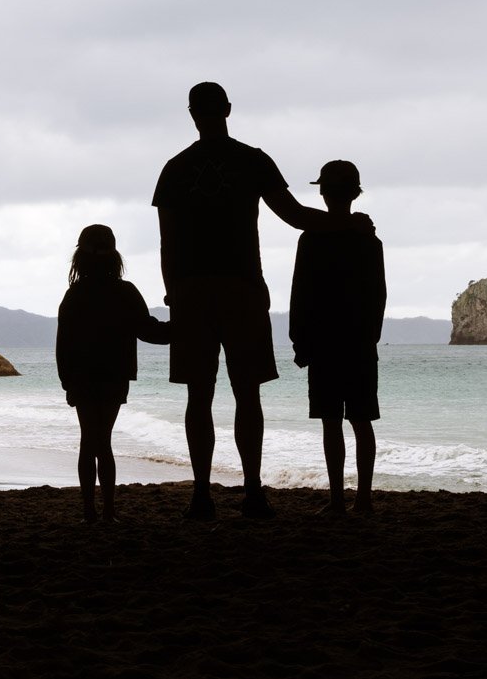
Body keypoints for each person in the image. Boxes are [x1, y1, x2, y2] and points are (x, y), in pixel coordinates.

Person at [152, 81, 372, 521]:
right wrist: (346, 224)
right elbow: (293, 215)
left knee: (199, 396)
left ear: (192, 113)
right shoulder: (251, 160)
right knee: (247, 394)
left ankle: (201, 493)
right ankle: (252, 490)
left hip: (192, 290)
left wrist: (174, 292)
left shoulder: (175, 169)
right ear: (228, 109)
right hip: (242, 288)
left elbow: (167, 243)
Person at [289, 159, 386, 515]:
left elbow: (300, 292)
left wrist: (299, 339)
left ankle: (337, 499)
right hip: (358, 341)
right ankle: (362, 498)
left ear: (324, 192)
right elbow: (379, 295)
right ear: (355, 193)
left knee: (332, 421)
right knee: (361, 421)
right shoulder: (367, 239)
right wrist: (370, 338)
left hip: (325, 341)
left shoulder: (311, 238)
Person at [56, 224, 170, 523]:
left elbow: (63, 344)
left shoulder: (75, 294)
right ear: (114, 255)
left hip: (82, 377)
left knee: (88, 441)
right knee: (102, 441)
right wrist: (183, 324)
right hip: (114, 375)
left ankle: (89, 512)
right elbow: (149, 331)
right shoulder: (125, 292)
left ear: (80, 256)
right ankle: (107, 512)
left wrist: (67, 381)